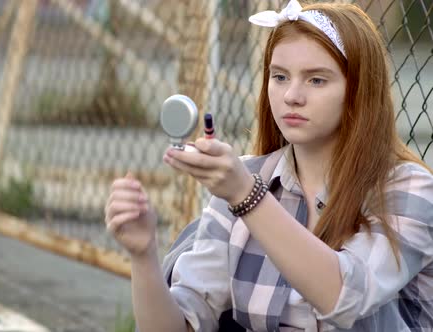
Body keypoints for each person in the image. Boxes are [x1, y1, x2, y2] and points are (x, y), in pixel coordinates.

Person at [104, 0, 433, 331]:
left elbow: (346, 297)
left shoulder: (407, 189)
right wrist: (143, 254)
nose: (291, 95)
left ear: (358, 91)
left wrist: (247, 196)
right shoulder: (245, 178)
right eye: (279, 76)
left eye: (316, 80)